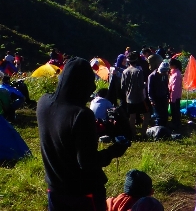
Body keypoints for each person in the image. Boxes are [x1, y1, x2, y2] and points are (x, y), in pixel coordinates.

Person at [38, 58, 130, 211]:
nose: (92, 88)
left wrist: (98, 130)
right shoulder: (81, 115)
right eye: (89, 84)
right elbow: (87, 162)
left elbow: (64, 134)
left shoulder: (43, 103)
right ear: (82, 85)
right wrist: (116, 150)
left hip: (54, 187)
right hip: (83, 192)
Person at [147, 57, 169, 128]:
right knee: (158, 115)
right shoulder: (152, 76)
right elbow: (149, 89)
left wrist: (168, 95)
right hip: (156, 98)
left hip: (163, 96)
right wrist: (151, 100)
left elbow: (166, 85)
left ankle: (165, 127)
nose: (163, 73)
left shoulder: (165, 75)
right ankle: (158, 129)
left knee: (165, 114)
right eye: (162, 72)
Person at [168, 58, 183, 132]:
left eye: (170, 65)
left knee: (175, 111)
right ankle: (175, 123)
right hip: (173, 96)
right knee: (174, 111)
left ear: (174, 65)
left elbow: (175, 88)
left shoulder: (176, 74)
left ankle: (176, 125)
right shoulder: (173, 73)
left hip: (175, 97)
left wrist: (172, 99)